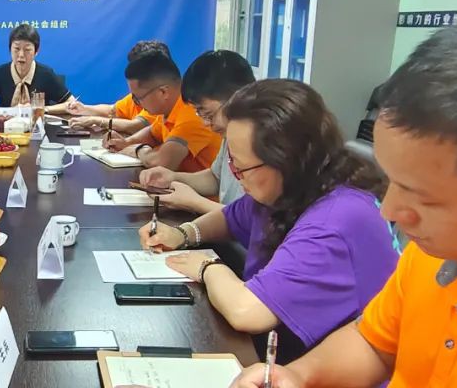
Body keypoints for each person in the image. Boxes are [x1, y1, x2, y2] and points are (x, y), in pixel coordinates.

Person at [232, 15, 457, 388]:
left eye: (425, 199)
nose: (389, 210)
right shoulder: (433, 256)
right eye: (393, 182)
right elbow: (374, 343)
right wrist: (298, 375)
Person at [139, 79, 399, 364]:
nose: (235, 174)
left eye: (242, 168)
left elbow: (246, 311)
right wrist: (184, 234)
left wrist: (206, 267)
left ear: (287, 159)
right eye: (232, 163)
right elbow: (231, 217)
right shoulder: (290, 188)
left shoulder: (334, 220)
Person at [137, 50, 256, 214]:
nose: (206, 123)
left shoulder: (266, 144)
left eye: (209, 114)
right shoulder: (230, 134)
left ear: (238, 98)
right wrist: (173, 177)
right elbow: (215, 177)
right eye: (201, 114)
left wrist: (195, 203)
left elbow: (250, 220)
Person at [105, 52, 223, 171]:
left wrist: (139, 150)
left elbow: (162, 163)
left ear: (163, 92)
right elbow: (152, 134)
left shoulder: (192, 114)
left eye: (138, 98)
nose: (137, 103)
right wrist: (126, 142)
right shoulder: (170, 108)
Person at [65, 40, 168, 135]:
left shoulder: (162, 96)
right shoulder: (139, 93)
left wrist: (96, 120)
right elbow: (112, 110)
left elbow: (137, 126)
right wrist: (84, 109)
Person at [0, 23, 75, 115]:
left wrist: (42, 110)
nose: (21, 55)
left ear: (36, 51)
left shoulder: (46, 74)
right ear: (10, 49)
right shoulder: (0, 73)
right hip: (6, 130)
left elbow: (72, 104)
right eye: (16, 48)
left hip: (38, 129)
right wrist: (7, 111)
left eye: (27, 50)